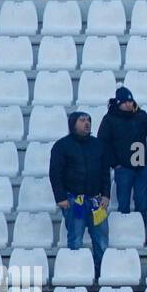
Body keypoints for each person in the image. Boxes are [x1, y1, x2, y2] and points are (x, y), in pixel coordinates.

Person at [49, 111, 110, 273]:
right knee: (75, 239)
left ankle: (101, 274)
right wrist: (60, 197)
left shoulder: (98, 145)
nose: (87, 123)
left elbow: (105, 172)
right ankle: (76, 273)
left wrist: (106, 194)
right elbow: (55, 173)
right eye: (82, 120)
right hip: (75, 200)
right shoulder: (62, 146)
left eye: (88, 120)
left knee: (102, 239)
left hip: (97, 201)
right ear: (73, 124)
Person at [97, 87, 147, 216]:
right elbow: (103, 143)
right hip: (123, 167)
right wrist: (114, 163)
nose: (129, 104)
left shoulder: (141, 115)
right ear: (119, 103)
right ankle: (125, 231)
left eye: (130, 101)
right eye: (125, 102)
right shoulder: (109, 119)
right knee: (123, 204)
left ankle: (141, 232)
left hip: (142, 166)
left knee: (142, 204)